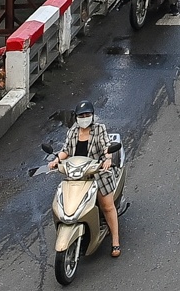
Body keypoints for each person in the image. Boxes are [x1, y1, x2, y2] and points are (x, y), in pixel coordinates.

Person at [48, 100, 122, 252]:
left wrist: (107, 159)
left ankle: (115, 241)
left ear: (92, 116)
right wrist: (56, 160)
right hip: (77, 174)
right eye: (81, 115)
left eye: (88, 115)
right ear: (76, 117)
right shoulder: (73, 132)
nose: (85, 118)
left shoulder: (99, 129)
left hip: (98, 172)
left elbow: (106, 147)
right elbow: (66, 150)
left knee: (107, 206)